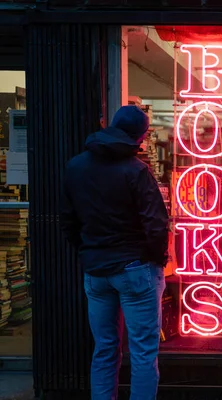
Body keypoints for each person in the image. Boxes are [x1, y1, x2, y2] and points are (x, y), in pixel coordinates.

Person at [60, 105, 169, 400]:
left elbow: (68, 220)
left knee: (105, 348)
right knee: (143, 352)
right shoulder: (136, 170)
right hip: (135, 268)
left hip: (96, 270)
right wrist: (156, 261)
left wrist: (88, 252)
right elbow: (156, 223)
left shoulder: (76, 166)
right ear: (140, 135)